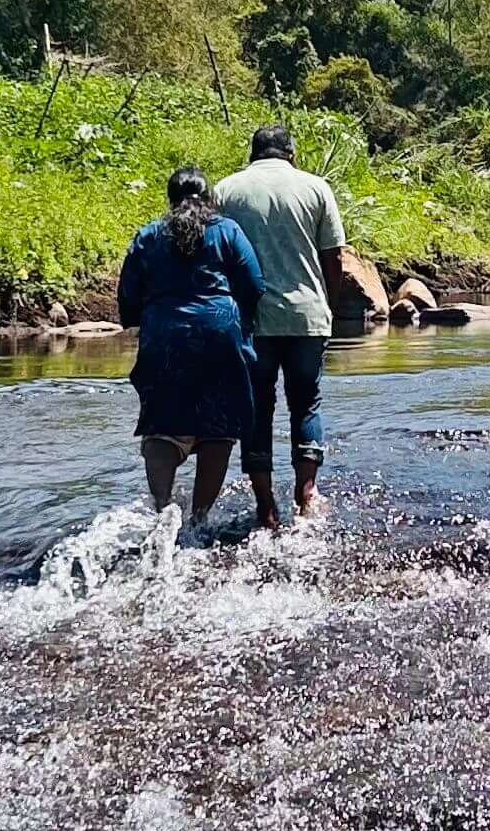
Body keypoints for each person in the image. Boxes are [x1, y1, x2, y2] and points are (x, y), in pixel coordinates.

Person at [213, 122, 348, 531]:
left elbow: (214, 254)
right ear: (291, 153)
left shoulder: (226, 190)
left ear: (253, 153)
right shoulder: (316, 188)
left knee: (257, 408)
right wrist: (331, 308)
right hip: (307, 316)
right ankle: (306, 495)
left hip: (251, 320)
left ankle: (265, 506)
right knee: (306, 403)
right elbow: (334, 258)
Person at [113, 166, 263, 527]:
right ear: (210, 198)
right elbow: (254, 284)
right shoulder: (227, 231)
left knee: (161, 423)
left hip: (164, 334)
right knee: (218, 428)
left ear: (170, 199)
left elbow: (128, 296)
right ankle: (198, 519)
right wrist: (241, 323)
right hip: (219, 332)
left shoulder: (149, 235)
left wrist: (141, 319)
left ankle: (163, 512)